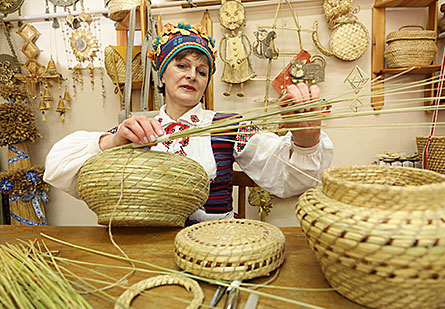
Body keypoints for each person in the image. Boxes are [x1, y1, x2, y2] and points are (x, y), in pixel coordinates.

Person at [44, 22, 334, 223]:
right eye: (181, 65)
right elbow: (58, 169)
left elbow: (287, 176)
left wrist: (305, 141)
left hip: (216, 244)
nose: (192, 75)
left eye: (202, 70)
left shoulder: (227, 125)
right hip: (150, 243)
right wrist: (113, 142)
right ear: (162, 72)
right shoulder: (139, 129)